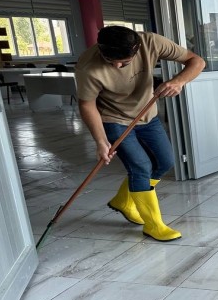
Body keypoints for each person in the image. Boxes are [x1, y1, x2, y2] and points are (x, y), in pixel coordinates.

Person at [76, 26, 205, 241]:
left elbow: (196, 61)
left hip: (147, 114)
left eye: (124, 62)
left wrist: (179, 81)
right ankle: (153, 225)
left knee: (165, 161)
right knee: (141, 167)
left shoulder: (151, 42)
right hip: (113, 119)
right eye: (110, 61)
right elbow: (87, 104)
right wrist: (100, 140)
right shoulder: (87, 66)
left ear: (136, 49)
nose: (117, 66)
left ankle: (123, 201)